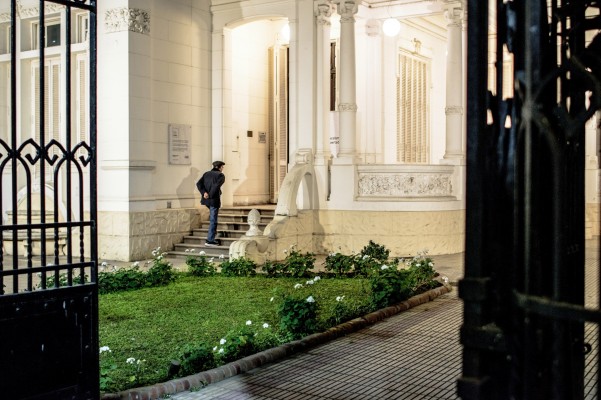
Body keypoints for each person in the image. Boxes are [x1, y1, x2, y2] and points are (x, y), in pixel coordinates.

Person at [197, 161, 225, 246]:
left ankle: (212, 235)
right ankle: (210, 240)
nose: (223, 169)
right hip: (213, 200)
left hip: (206, 200)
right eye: (222, 167)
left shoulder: (206, 174)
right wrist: (210, 195)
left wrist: (204, 193)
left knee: (213, 218)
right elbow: (216, 186)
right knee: (213, 220)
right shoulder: (221, 175)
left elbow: (199, 184)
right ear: (220, 167)